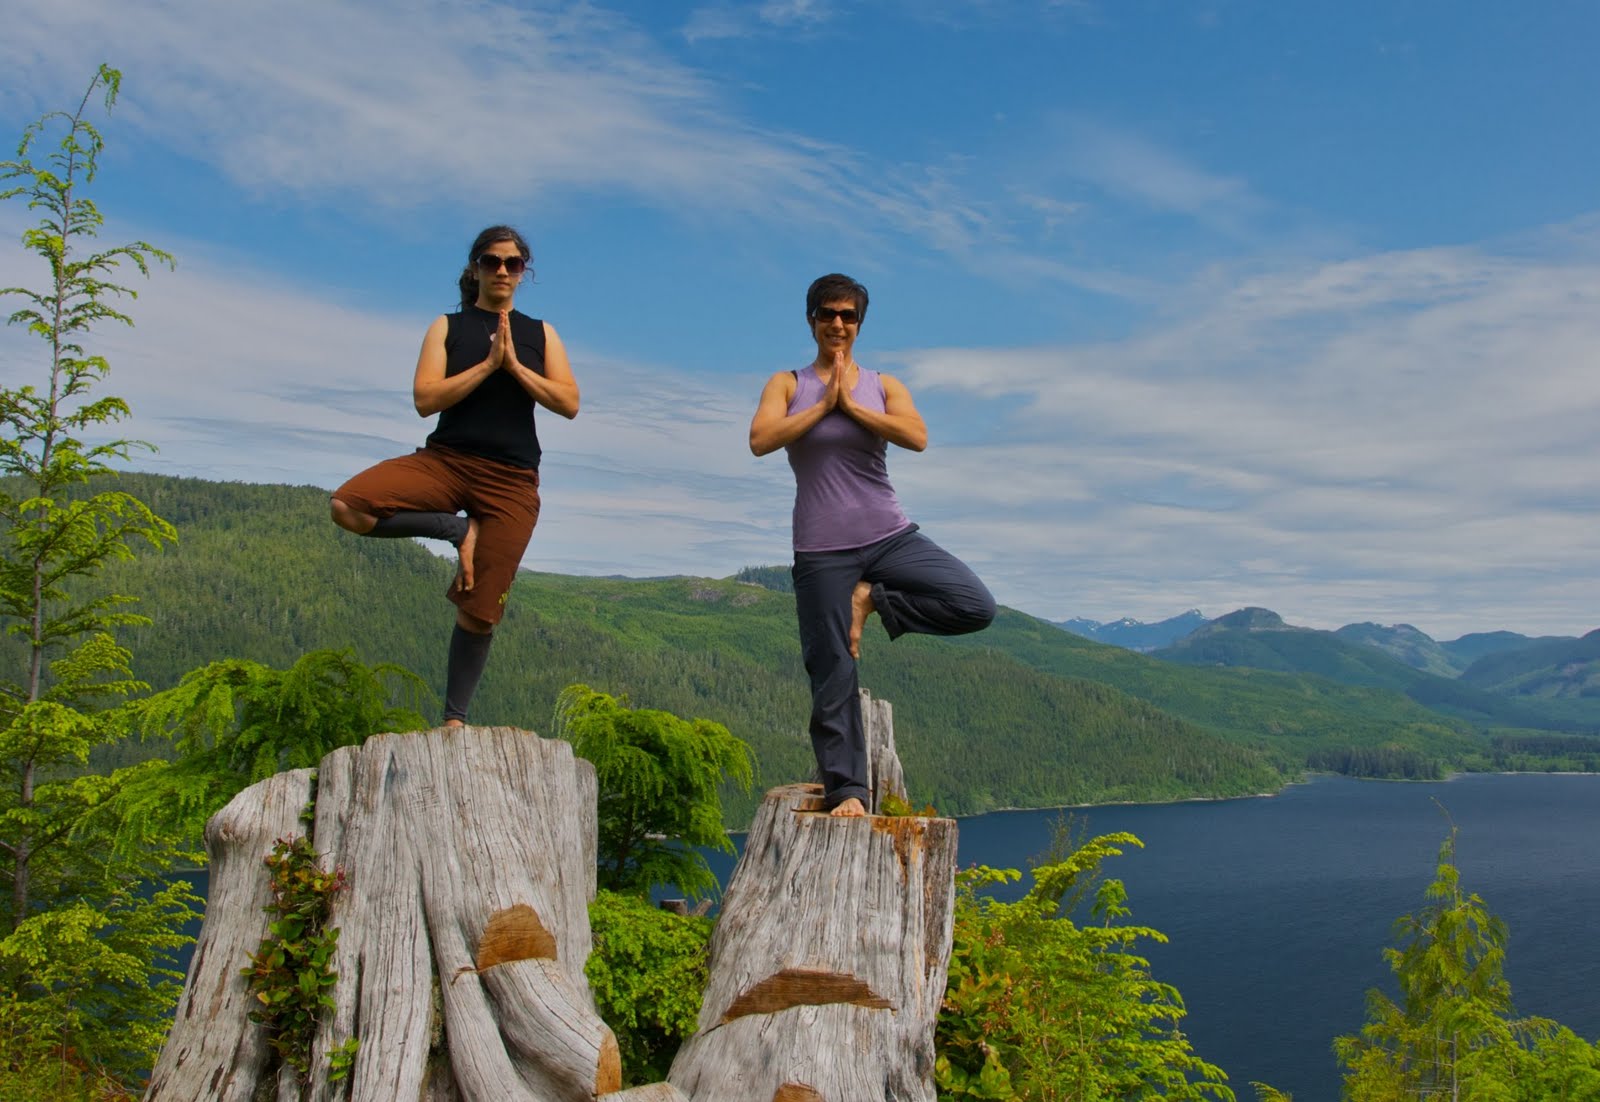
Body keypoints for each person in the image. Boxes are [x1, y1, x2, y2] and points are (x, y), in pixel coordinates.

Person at [749, 273, 995, 817]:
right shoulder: (787, 384)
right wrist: (823, 405)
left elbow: (917, 437)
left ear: (860, 323)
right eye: (827, 313)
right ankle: (849, 793)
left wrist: (852, 406)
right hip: (821, 549)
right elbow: (761, 441)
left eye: (848, 315)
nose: (838, 323)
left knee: (975, 604)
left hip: (889, 535)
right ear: (811, 319)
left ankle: (873, 599)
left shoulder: (884, 385)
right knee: (831, 666)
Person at [329, 225, 578, 726]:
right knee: (348, 506)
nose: (502, 270)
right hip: (444, 463)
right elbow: (425, 400)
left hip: (511, 479)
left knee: (480, 609)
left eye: (512, 263)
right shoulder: (447, 327)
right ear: (476, 268)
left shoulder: (540, 333)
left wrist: (514, 367)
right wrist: (487, 366)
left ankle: (453, 721)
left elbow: (569, 403)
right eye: (492, 262)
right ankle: (458, 529)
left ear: (524, 271)